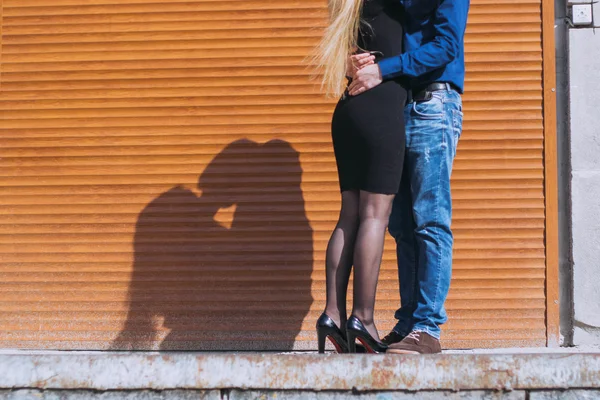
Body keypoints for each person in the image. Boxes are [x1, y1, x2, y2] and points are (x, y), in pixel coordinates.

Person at [348, 0, 470, 354]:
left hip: (433, 105)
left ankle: (427, 328)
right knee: (401, 224)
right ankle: (407, 323)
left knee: (430, 221)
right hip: (397, 107)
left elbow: (447, 46)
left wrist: (384, 69)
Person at [313, 0, 407, 353]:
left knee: (349, 216)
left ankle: (332, 316)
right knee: (374, 216)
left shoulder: (348, 6)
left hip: (348, 111)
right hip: (380, 108)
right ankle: (363, 318)